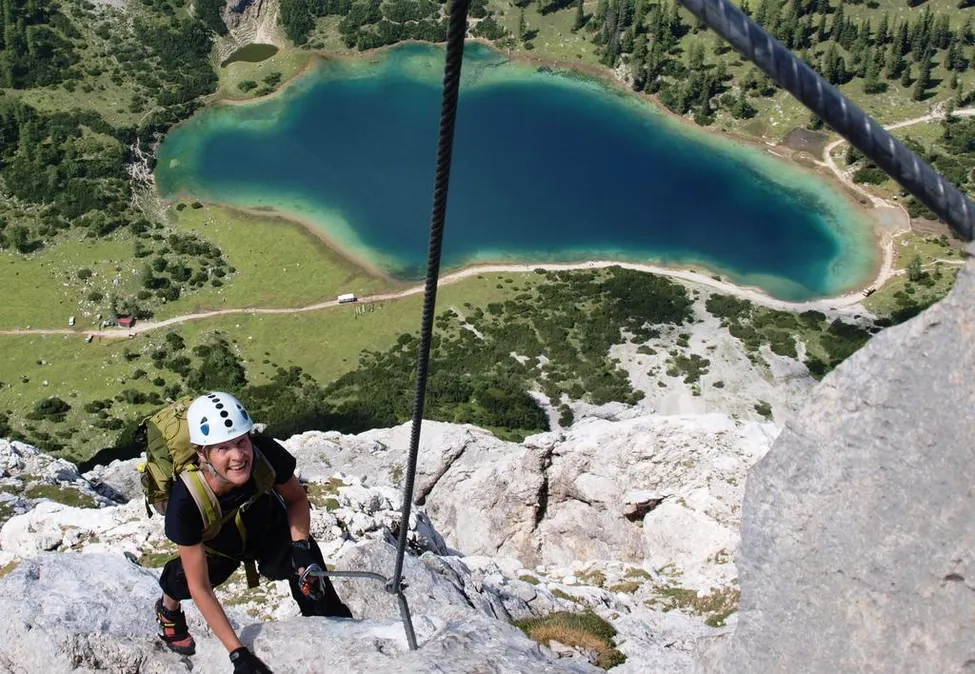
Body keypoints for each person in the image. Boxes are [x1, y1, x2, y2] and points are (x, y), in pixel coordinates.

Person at [154, 391, 352, 673]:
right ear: (203, 454)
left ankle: (334, 627)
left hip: (269, 529)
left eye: (241, 442)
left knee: (312, 580)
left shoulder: (265, 454)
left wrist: (300, 549)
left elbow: (296, 499)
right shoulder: (186, 502)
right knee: (186, 579)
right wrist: (238, 654)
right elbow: (201, 588)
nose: (238, 457)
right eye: (223, 448)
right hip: (218, 547)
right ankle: (168, 609)